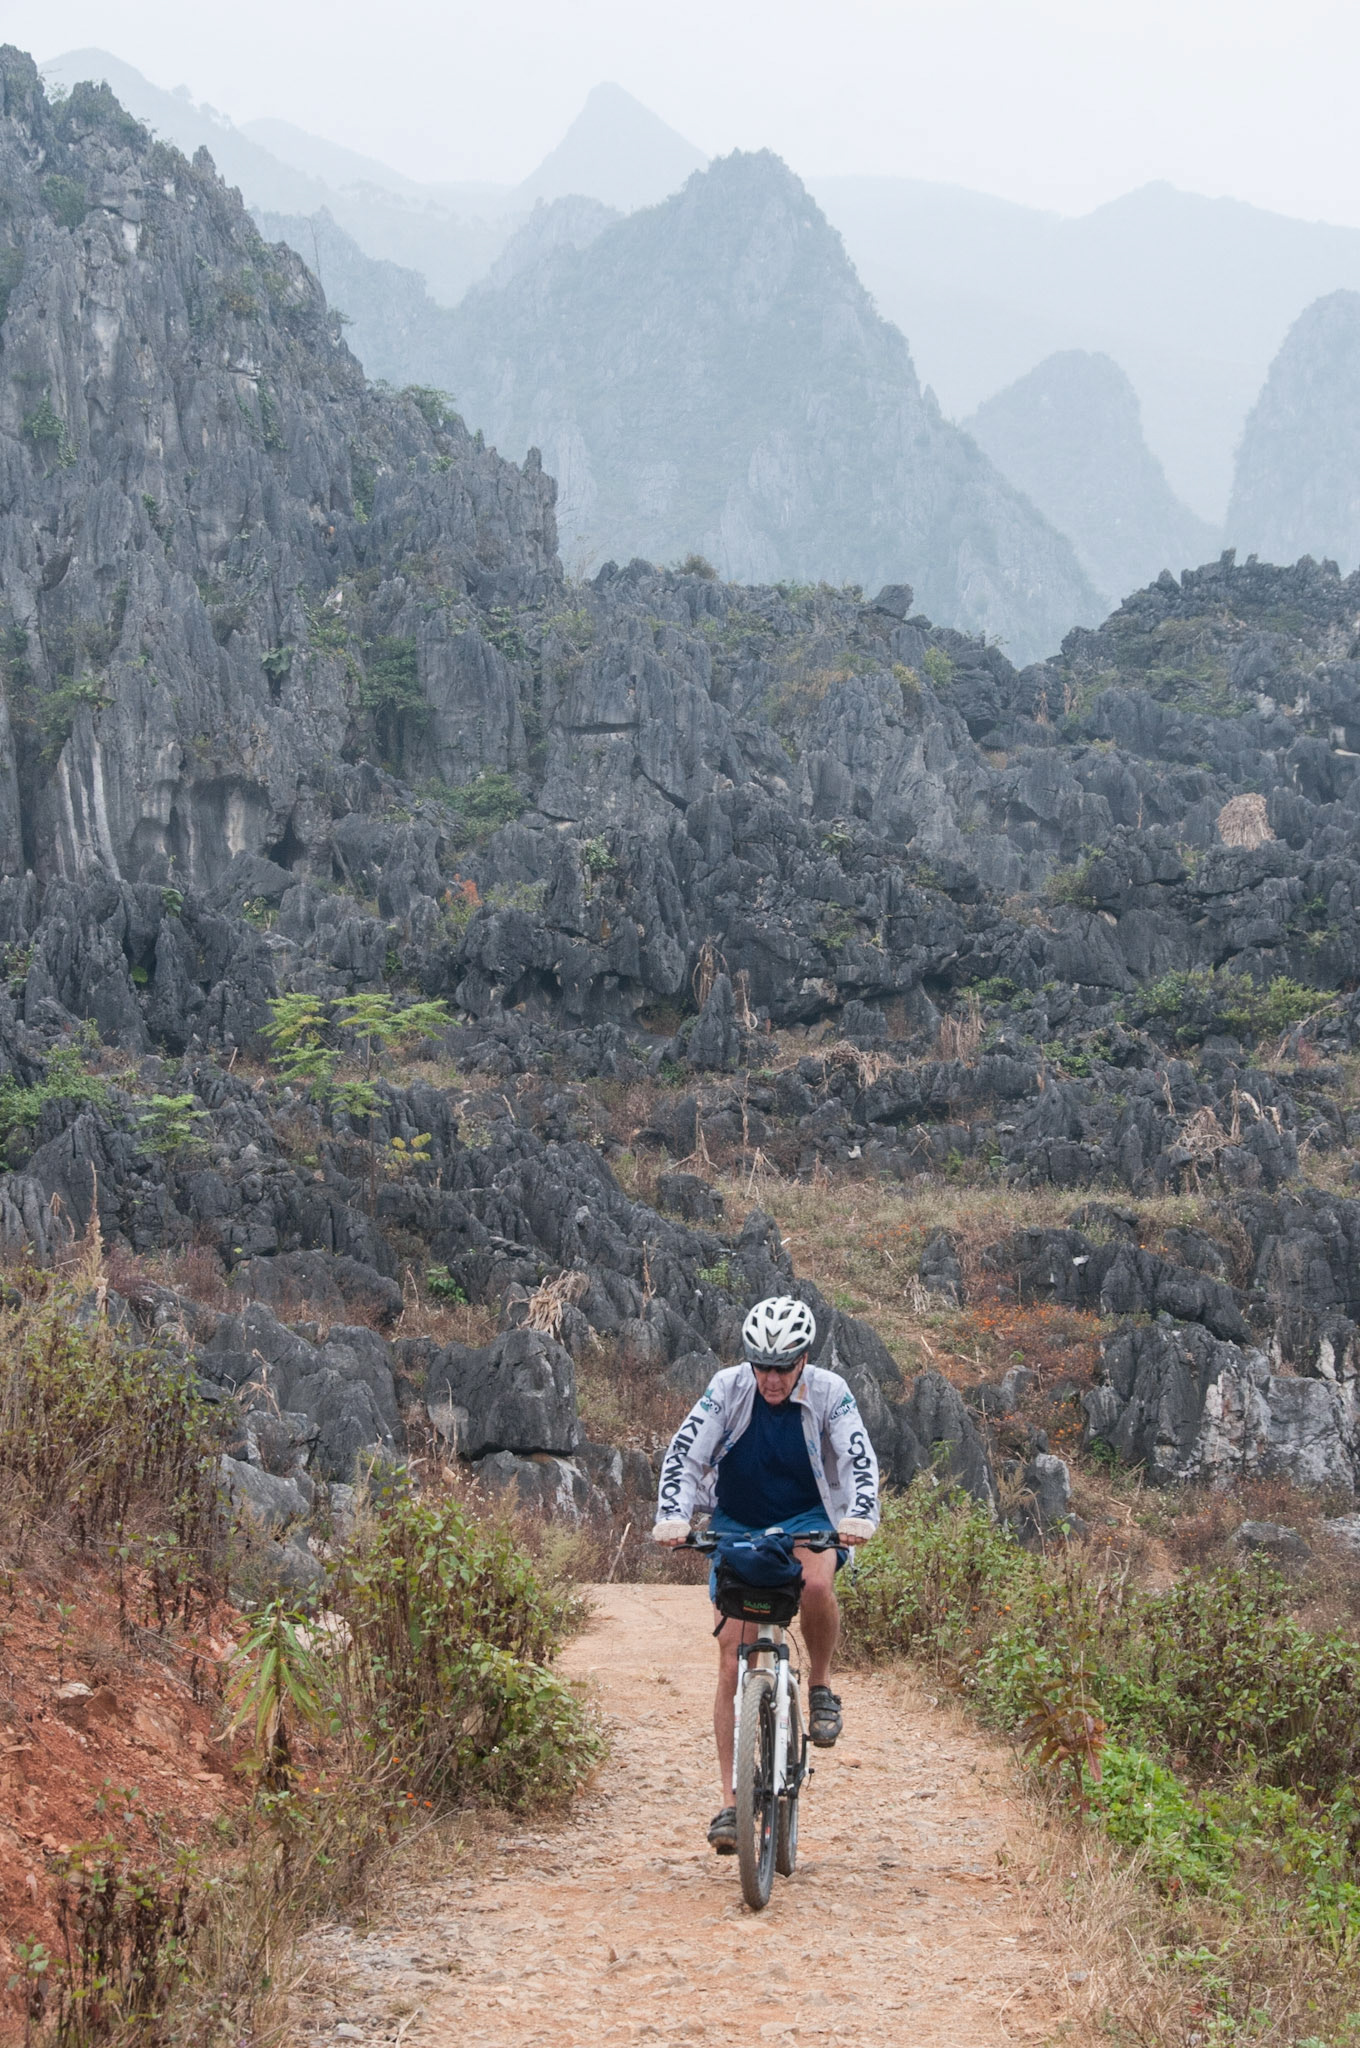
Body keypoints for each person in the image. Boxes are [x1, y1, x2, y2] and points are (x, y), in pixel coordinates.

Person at [651, 1295, 879, 1854]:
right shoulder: (726, 1388)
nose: (771, 1378)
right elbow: (687, 1453)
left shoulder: (831, 1392)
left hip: (808, 1519)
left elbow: (858, 1459)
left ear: (804, 1358)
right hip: (737, 1520)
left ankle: (821, 1686)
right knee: (732, 1650)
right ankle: (732, 1803)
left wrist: (859, 1517)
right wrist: (673, 1517)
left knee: (819, 1584)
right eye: (762, 1365)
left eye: (782, 1366)